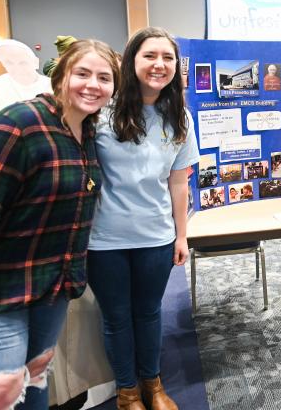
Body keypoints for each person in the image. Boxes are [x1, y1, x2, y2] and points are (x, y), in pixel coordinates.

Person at [0, 39, 117, 409]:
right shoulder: (18, 124)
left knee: (35, 382)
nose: (92, 84)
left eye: (104, 78)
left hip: (51, 288)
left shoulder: (87, 133)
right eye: (82, 73)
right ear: (60, 75)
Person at [86, 27, 200, 410]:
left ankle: (153, 385)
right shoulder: (101, 112)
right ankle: (127, 392)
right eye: (150, 55)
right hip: (104, 239)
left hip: (156, 235)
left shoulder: (178, 116)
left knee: (150, 314)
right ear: (131, 59)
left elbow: (179, 181)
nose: (159, 65)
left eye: (167, 58)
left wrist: (181, 236)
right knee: (117, 317)